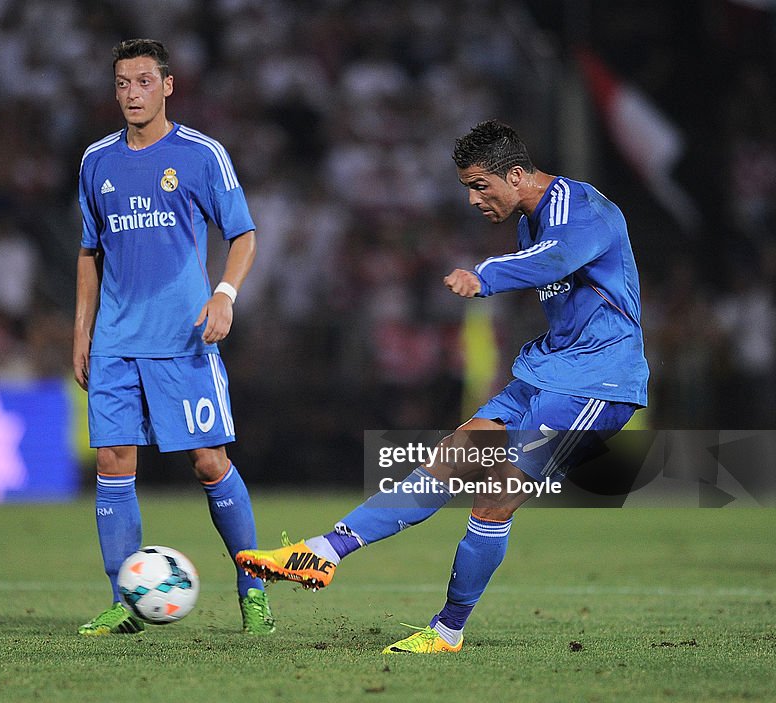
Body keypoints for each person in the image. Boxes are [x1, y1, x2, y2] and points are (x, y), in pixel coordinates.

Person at [237, 119, 648, 653]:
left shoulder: (580, 207)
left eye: (480, 185)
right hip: (547, 371)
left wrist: (486, 275)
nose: (473, 199)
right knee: (448, 461)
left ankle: (447, 630)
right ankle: (323, 551)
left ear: (517, 174)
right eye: (466, 188)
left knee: (492, 499)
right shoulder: (530, 219)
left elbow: (557, 259)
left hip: (597, 380)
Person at [74, 38, 273, 636]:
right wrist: (81, 334)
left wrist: (224, 295)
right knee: (113, 461)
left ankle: (253, 586)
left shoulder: (200, 154)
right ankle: (124, 603)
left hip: (183, 339)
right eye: (121, 84)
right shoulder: (96, 161)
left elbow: (243, 236)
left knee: (210, 462)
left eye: (142, 81)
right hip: (114, 340)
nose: (131, 93)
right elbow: (88, 253)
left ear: (167, 85)